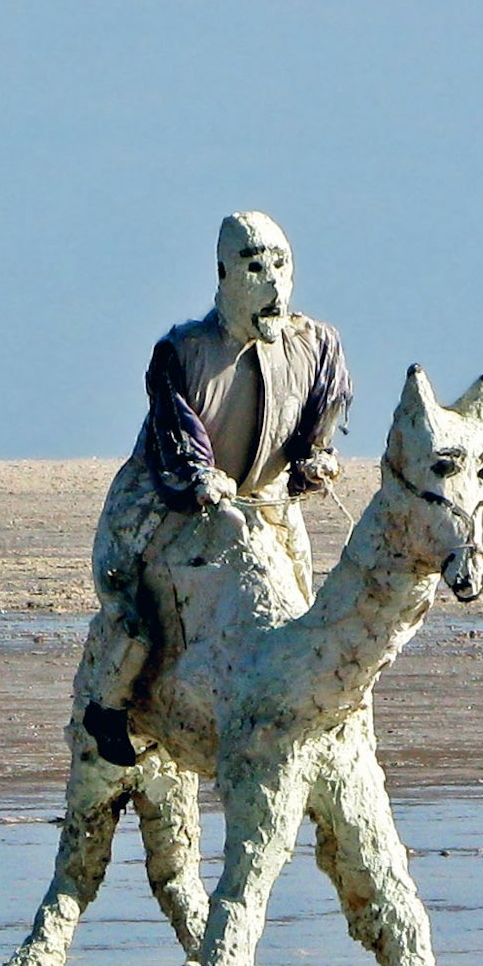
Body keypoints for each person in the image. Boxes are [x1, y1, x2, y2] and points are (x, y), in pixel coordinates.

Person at [76, 211, 352, 765]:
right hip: (166, 503)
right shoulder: (182, 350)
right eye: (255, 268)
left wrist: (315, 460)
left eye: (281, 265)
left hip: (266, 502)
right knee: (135, 612)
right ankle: (109, 706)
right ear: (225, 274)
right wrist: (199, 479)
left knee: (300, 603)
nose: (273, 283)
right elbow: (177, 433)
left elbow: (316, 422)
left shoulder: (316, 345)